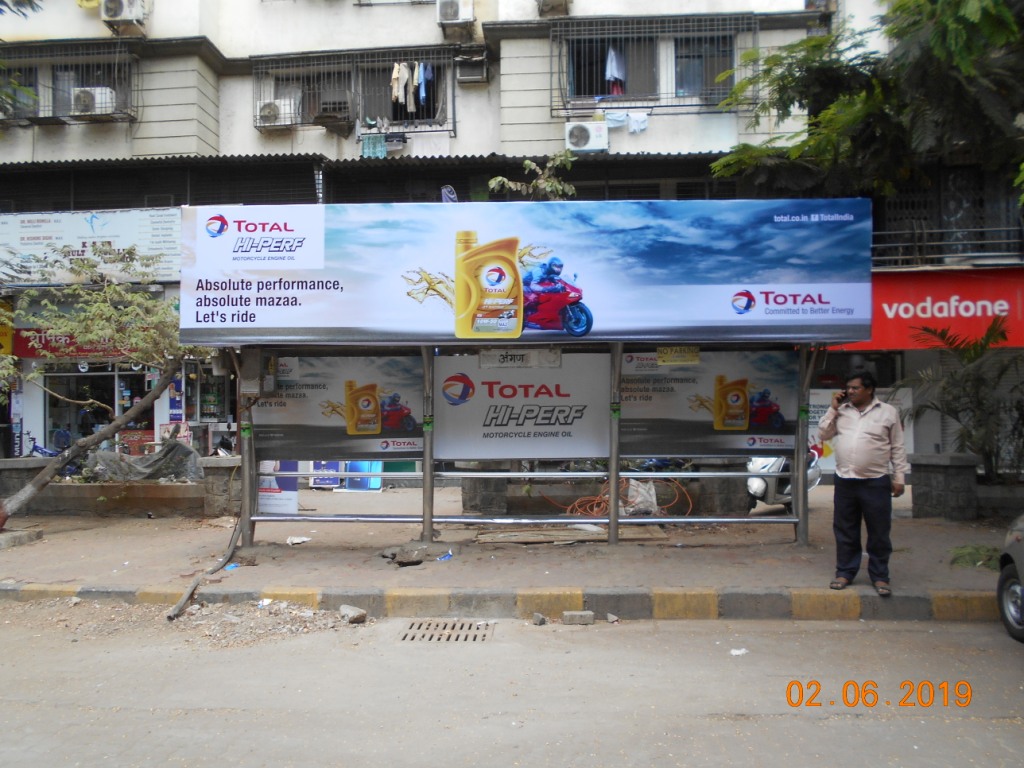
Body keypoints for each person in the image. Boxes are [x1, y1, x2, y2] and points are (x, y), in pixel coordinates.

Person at [817, 370, 909, 597]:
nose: (850, 391)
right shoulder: (842, 411)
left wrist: (899, 477)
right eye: (848, 388)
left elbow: (897, 447)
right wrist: (833, 408)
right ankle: (845, 572)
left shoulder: (888, 412)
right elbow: (823, 434)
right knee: (845, 529)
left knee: (878, 531)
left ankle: (880, 576)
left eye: (855, 388)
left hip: (875, 481)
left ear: (869, 389)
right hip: (845, 480)